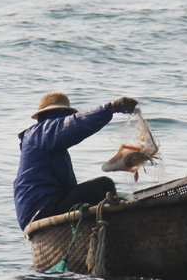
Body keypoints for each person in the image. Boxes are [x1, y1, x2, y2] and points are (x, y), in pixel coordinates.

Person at [14, 92, 138, 230]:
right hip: (41, 209)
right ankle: (115, 231)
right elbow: (75, 124)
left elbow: (69, 189)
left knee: (103, 194)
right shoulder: (40, 133)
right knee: (103, 185)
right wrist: (111, 108)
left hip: (40, 209)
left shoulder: (47, 146)